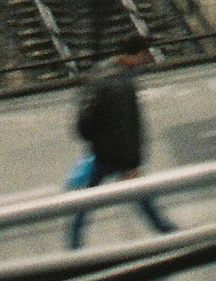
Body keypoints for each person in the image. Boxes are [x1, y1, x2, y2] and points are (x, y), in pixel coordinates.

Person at [65, 45, 173, 250]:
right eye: (141, 55)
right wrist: (133, 162)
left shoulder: (101, 71)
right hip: (118, 155)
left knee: (84, 204)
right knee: (140, 198)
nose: (143, 60)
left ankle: (73, 249)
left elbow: (87, 117)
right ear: (132, 55)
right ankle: (168, 234)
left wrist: (95, 141)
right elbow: (130, 127)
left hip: (101, 152)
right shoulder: (123, 83)